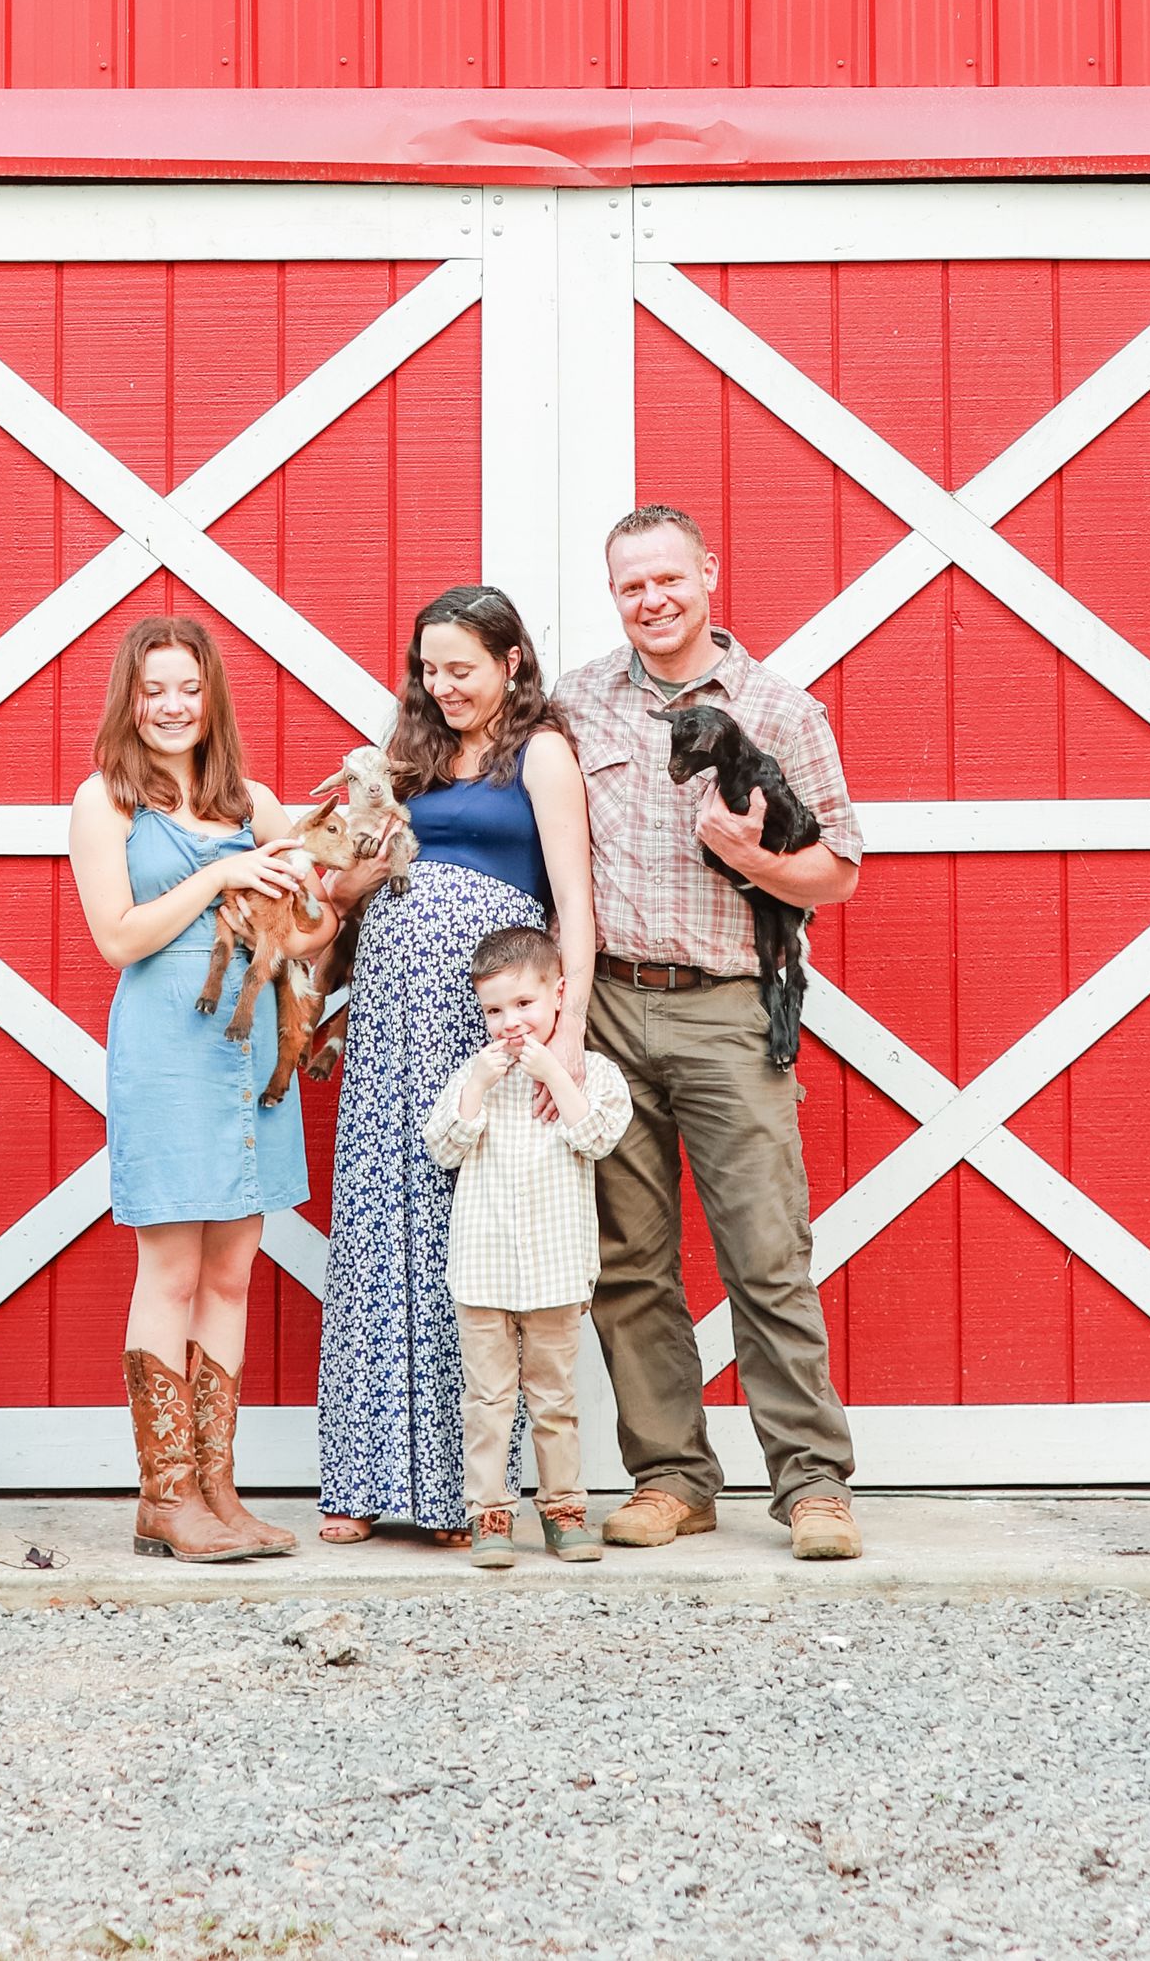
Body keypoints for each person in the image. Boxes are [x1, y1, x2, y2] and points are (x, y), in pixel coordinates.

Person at [553, 503, 866, 1562]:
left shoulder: (781, 710)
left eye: (667, 579)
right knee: (629, 1259)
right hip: (604, 1008)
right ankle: (671, 1478)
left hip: (728, 1008)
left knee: (765, 1251)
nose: (651, 600)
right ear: (615, 595)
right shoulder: (576, 704)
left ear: (707, 576)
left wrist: (754, 859)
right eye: (631, 585)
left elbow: (840, 868)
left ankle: (812, 1483)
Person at [312, 585, 596, 1544]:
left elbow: (575, 905)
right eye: (429, 670)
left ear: (512, 661)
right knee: (373, 1222)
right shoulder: (408, 751)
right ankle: (361, 1478)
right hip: (390, 1012)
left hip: (481, 1019)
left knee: (462, 1239)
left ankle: (456, 1492)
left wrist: (568, 1033)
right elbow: (345, 882)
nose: (442, 688)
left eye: (461, 669)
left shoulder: (542, 753)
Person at [68, 613, 314, 1565]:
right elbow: (119, 938)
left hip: (252, 1052)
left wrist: (306, 891)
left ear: (211, 698)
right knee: (170, 1268)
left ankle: (219, 1488)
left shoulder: (254, 802)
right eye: (153, 689)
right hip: (168, 1044)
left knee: (232, 1270)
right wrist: (222, 878)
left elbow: (307, 925)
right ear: (130, 700)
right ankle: (163, 1497)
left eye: (188, 688)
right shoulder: (107, 803)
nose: (172, 706)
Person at [423, 921, 631, 1568]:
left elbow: (598, 1137)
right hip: (483, 1270)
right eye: (494, 1009)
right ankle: (490, 1517)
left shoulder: (590, 1073)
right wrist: (479, 1086)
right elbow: (442, 1146)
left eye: (524, 1004)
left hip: (557, 1271)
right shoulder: (472, 1075)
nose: (510, 1021)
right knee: (487, 1403)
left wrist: (555, 1074)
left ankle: (565, 1511)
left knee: (553, 1401)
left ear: (559, 996)